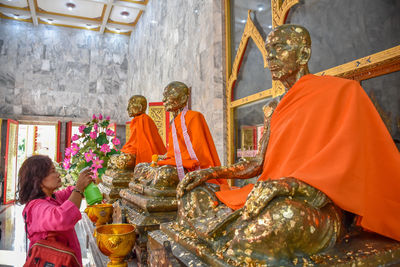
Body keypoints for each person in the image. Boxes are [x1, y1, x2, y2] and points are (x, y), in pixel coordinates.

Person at [175, 24, 400, 264]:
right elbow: (257, 165)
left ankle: (234, 233)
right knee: (193, 197)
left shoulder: (342, 92)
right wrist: (210, 172)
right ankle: (231, 232)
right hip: (272, 192)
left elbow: (347, 167)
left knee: (279, 219)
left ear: (303, 55)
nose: (269, 57)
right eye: (268, 50)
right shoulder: (273, 108)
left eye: (278, 48)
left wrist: (286, 185)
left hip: (315, 203)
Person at [17, 155, 93, 266]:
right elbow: (62, 218)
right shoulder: (36, 208)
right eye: (53, 171)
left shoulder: (53, 198)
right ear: (38, 179)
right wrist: (79, 188)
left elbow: (69, 193)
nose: (58, 174)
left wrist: (85, 184)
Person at [157, 81, 228, 188]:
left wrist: (181, 161)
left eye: (169, 95)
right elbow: (175, 151)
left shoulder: (195, 117)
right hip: (175, 163)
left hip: (191, 166)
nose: (163, 100)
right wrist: (165, 157)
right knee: (144, 167)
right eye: (164, 96)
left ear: (183, 99)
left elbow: (201, 152)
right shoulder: (174, 122)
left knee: (165, 173)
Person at [119, 95, 166, 164]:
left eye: (130, 106)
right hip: (140, 151)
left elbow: (139, 144)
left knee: (122, 158)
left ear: (140, 107)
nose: (127, 109)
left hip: (145, 153)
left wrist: (126, 150)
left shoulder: (142, 120)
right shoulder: (142, 119)